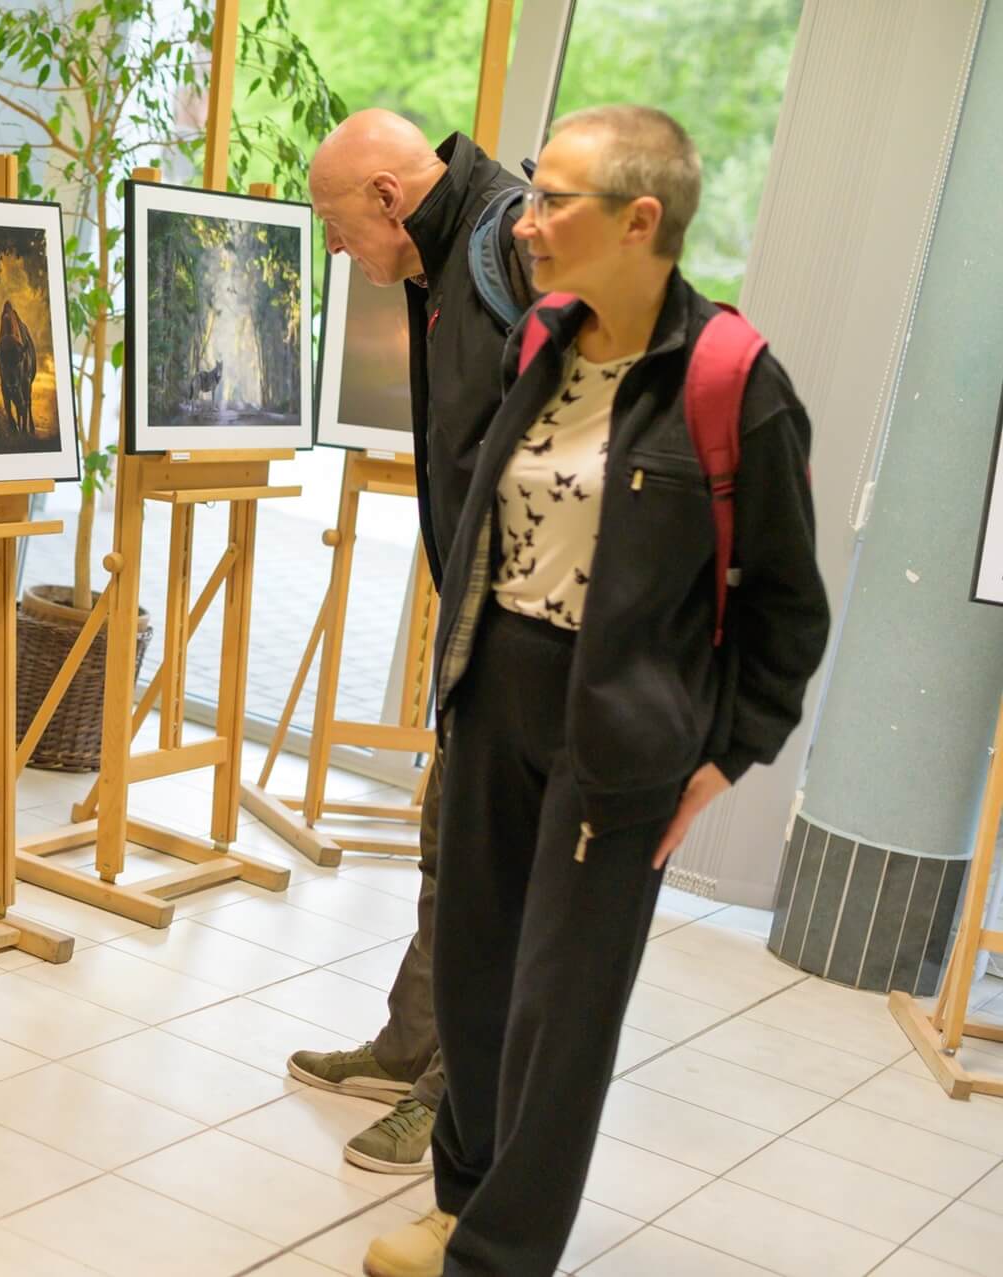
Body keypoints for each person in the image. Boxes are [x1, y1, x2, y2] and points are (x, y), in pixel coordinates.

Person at [364, 105, 830, 1277]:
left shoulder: (735, 383)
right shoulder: (542, 340)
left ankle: (501, 1253)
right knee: (475, 973)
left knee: (557, 1013)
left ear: (639, 220)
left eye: (554, 200)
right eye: (532, 195)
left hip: (619, 732)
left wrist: (724, 753)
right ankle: (461, 1201)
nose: (525, 222)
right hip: (496, 694)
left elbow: (788, 610)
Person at [293, 111, 532, 1176]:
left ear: (388, 198)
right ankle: (409, 1045)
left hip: (527, 623)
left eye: (337, 225)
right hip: (480, 607)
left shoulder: (509, 243)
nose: (336, 248)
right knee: (448, 836)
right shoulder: (444, 254)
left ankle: (449, 1096)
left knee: (489, 867)